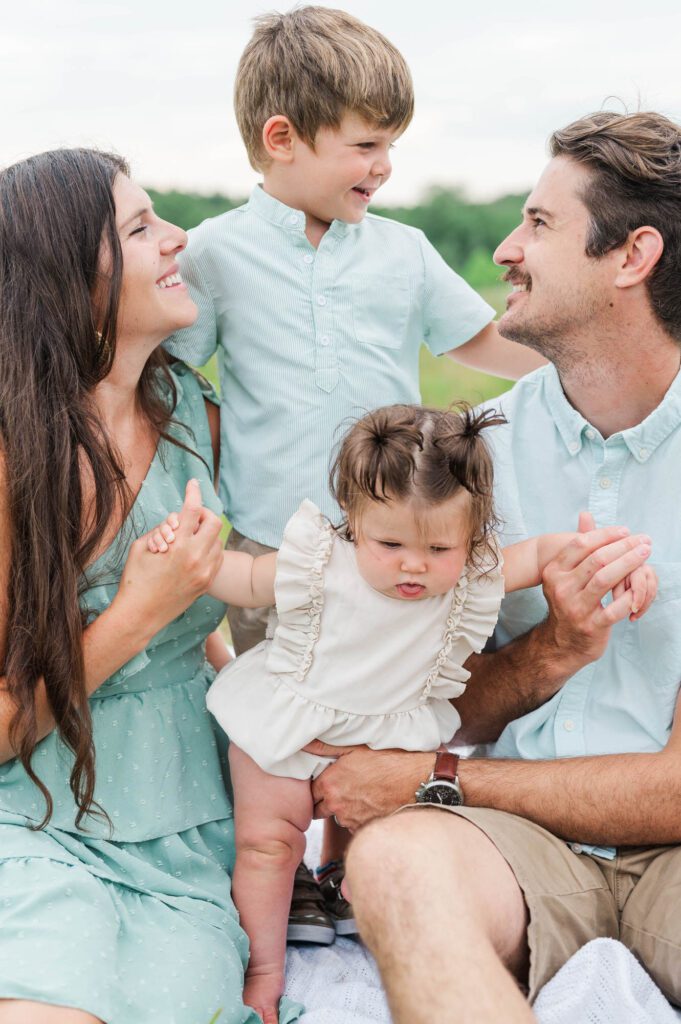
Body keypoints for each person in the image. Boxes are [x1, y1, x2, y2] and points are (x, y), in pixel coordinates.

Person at [163, 3, 546, 938]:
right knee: (282, 720)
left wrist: (573, 365)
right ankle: (287, 866)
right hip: (269, 532)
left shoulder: (404, 252)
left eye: (392, 147)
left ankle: (350, 863)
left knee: (386, 707)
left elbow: (482, 340)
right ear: (281, 138)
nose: (383, 168)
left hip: (396, 534)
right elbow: (177, 378)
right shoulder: (217, 252)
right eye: (368, 145)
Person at [302, 110, 681, 1023]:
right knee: (393, 862)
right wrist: (551, 651)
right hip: (515, 848)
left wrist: (440, 780)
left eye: (540, 224)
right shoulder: (473, 458)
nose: (508, 248)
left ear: (631, 258)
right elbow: (424, 705)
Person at [148, 403, 655, 1023]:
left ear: (468, 539)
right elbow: (245, 577)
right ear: (353, 521)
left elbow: (539, 555)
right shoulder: (320, 564)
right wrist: (187, 550)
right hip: (287, 725)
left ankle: (336, 879)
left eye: (438, 547)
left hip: (385, 735)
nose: (413, 565)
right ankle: (262, 970)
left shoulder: (469, 574)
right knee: (267, 847)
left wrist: (596, 553)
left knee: (367, 838)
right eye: (389, 544)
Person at [0, 149, 302, 1024]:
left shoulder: (192, 417)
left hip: (185, 827)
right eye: (140, 228)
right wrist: (140, 610)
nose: (177, 239)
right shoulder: (17, 457)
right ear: (68, 279)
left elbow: (198, 634)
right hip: (35, 814)